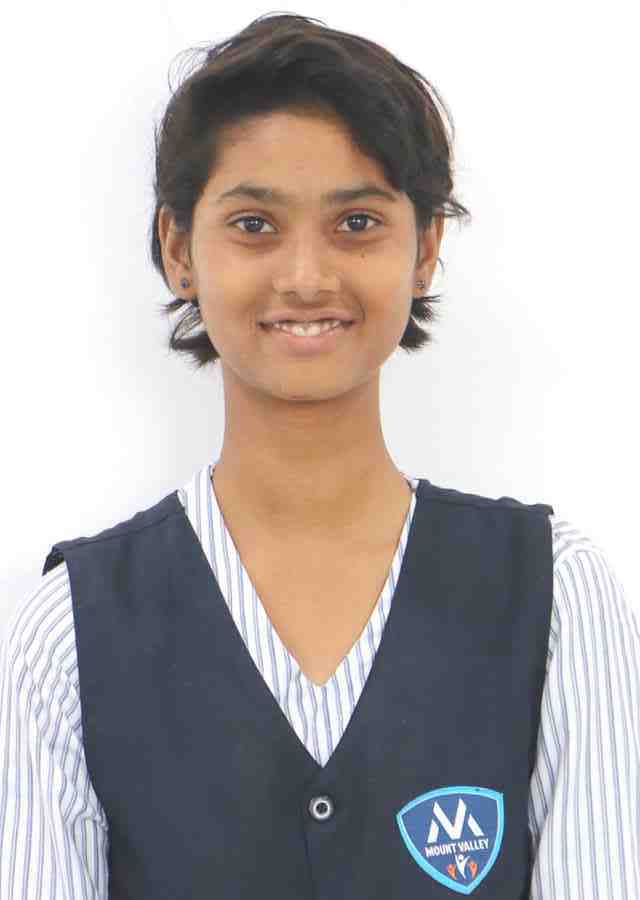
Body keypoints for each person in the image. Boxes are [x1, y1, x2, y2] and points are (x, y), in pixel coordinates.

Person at [1, 12, 638, 899]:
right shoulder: (67, 632)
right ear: (179, 250)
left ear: (425, 249)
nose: (305, 277)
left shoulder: (556, 596)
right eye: (254, 223)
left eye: (357, 222)